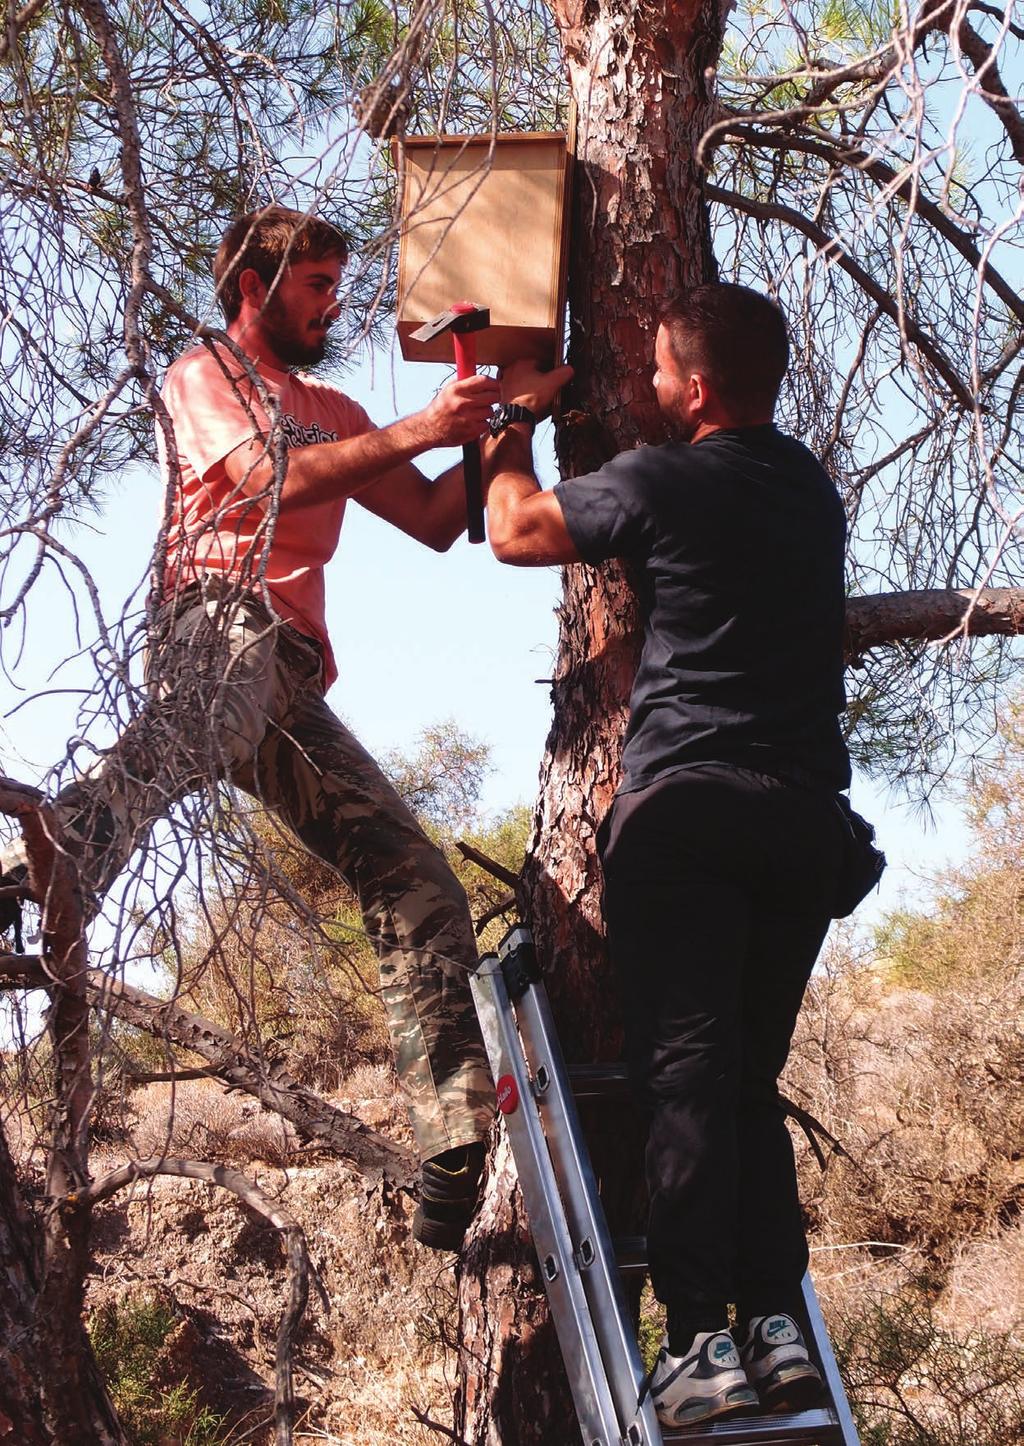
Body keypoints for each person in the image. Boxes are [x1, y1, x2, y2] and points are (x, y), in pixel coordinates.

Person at [0, 206, 499, 1250]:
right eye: (315, 285)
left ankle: (451, 1150)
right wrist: (420, 428)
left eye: (332, 284)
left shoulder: (336, 404)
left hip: (291, 680)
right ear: (253, 286)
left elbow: (441, 521)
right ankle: (26, 878)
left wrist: (506, 427)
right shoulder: (205, 374)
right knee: (206, 721)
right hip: (212, 619)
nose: (332, 306)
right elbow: (261, 482)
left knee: (411, 876)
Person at [483, 283, 853, 1426]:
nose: (638, 387)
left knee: (686, 1077)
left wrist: (511, 422)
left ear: (692, 389)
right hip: (805, 824)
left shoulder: (660, 480)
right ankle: (772, 1324)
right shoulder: (808, 488)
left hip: (689, 812)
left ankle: (697, 1341)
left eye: (651, 372)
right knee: (743, 1080)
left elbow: (511, 532)